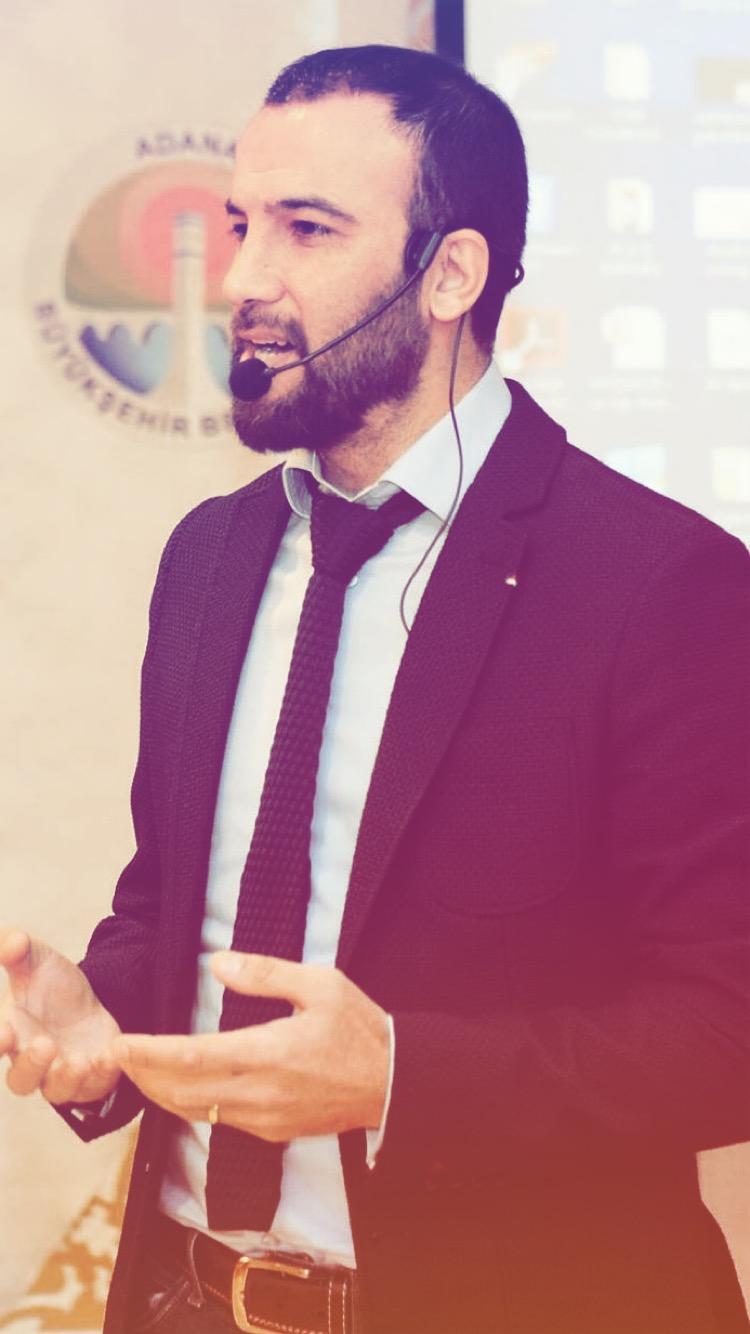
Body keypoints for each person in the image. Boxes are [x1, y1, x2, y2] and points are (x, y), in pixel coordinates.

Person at [1, 43, 749, 1334]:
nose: (243, 278)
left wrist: (402, 1077)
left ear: (449, 274)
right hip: (184, 1298)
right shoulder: (209, 555)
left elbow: (727, 1025)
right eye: (241, 225)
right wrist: (101, 1019)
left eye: (306, 229)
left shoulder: (660, 580)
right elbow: (175, 905)